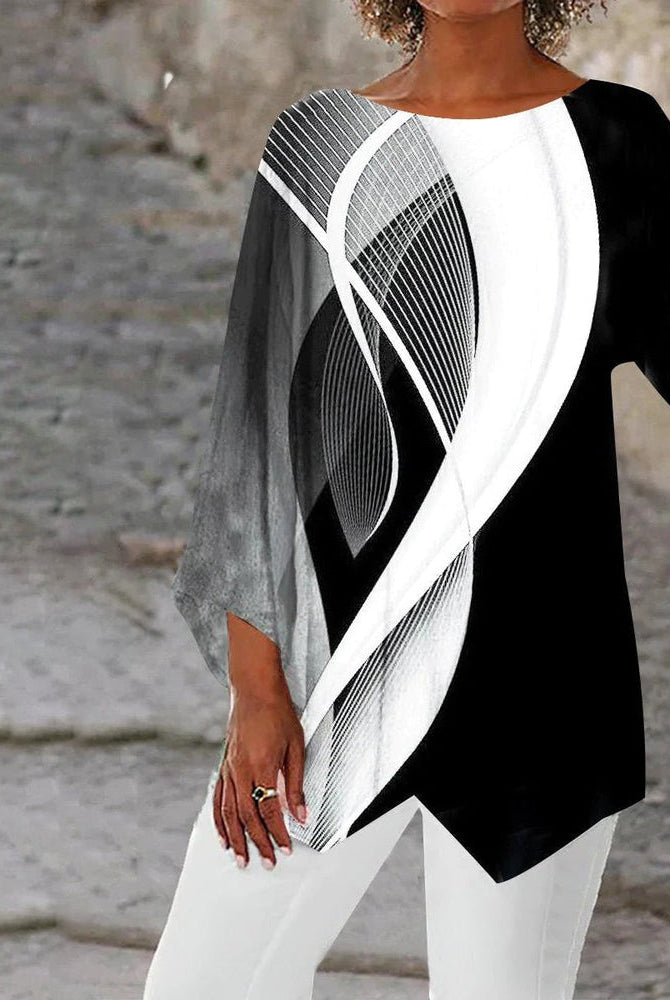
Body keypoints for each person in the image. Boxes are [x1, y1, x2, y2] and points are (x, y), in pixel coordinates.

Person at [143, 0, 670, 997]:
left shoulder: (620, 140)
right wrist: (257, 691)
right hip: (339, 669)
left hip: (544, 685)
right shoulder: (321, 146)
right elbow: (259, 438)